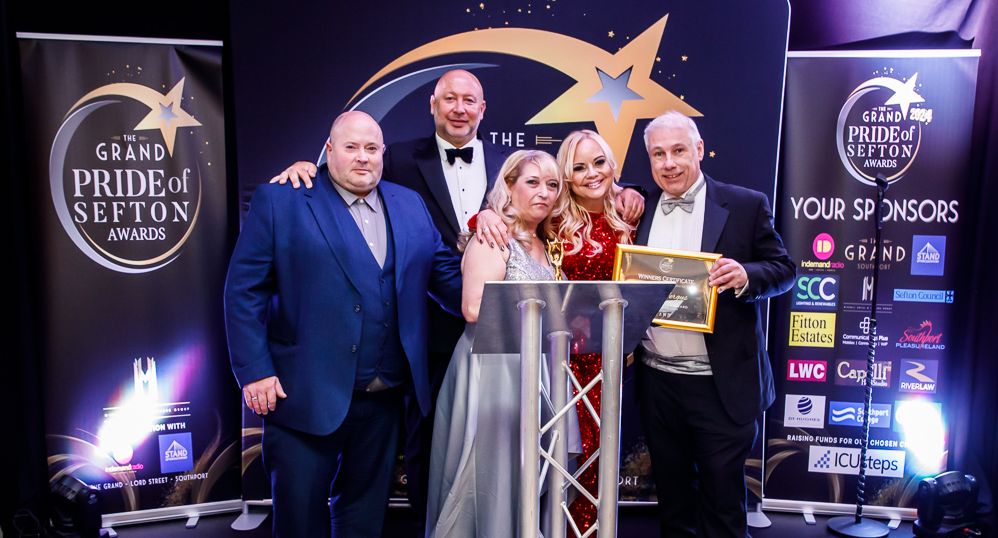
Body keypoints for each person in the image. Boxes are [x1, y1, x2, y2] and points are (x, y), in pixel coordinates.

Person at [270, 69, 645, 521]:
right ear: (433, 104)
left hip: (515, 342)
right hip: (429, 329)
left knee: (519, 459)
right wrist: (304, 168)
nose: (460, 108)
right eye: (450, 98)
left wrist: (630, 192)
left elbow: (583, 194)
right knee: (439, 448)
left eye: (470, 100)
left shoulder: (514, 167)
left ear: (483, 109)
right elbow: (344, 171)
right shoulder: (397, 157)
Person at [223, 111, 461, 538]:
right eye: (351, 147)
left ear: (383, 154)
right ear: (328, 150)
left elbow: (450, 282)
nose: (363, 158)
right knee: (299, 521)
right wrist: (254, 371)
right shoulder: (283, 200)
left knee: (364, 517)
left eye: (372, 149)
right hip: (302, 394)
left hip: (385, 397)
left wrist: (503, 248)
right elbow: (244, 291)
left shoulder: (410, 205)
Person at [633, 111, 794, 537]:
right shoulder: (637, 207)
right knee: (672, 501)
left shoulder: (744, 204)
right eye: (658, 154)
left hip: (721, 383)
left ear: (699, 150)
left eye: (679, 151)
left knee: (724, 504)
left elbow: (785, 268)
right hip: (658, 382)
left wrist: (747, 276)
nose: (669, 163)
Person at [473, 129, 635, 532]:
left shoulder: (629, 214)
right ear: (566, 176)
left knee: (601, 459)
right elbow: (511, 222)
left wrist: (634, 193)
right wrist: (484, 215)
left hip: (610, 361)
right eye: (578, 167)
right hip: (558, 361)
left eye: (599, 162)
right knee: (557, 464)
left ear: (614, 165)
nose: (591, 173)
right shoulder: (556, 220)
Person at [426, 149, 562, 538]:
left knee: (522, 470)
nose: (544, 193)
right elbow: (472, 307)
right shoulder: (492, 236)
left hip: (533, 368)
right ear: (508, 186)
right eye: (532, 182)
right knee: (485, 469)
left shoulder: (544, 243)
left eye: (552, 185)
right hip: (492, 368)